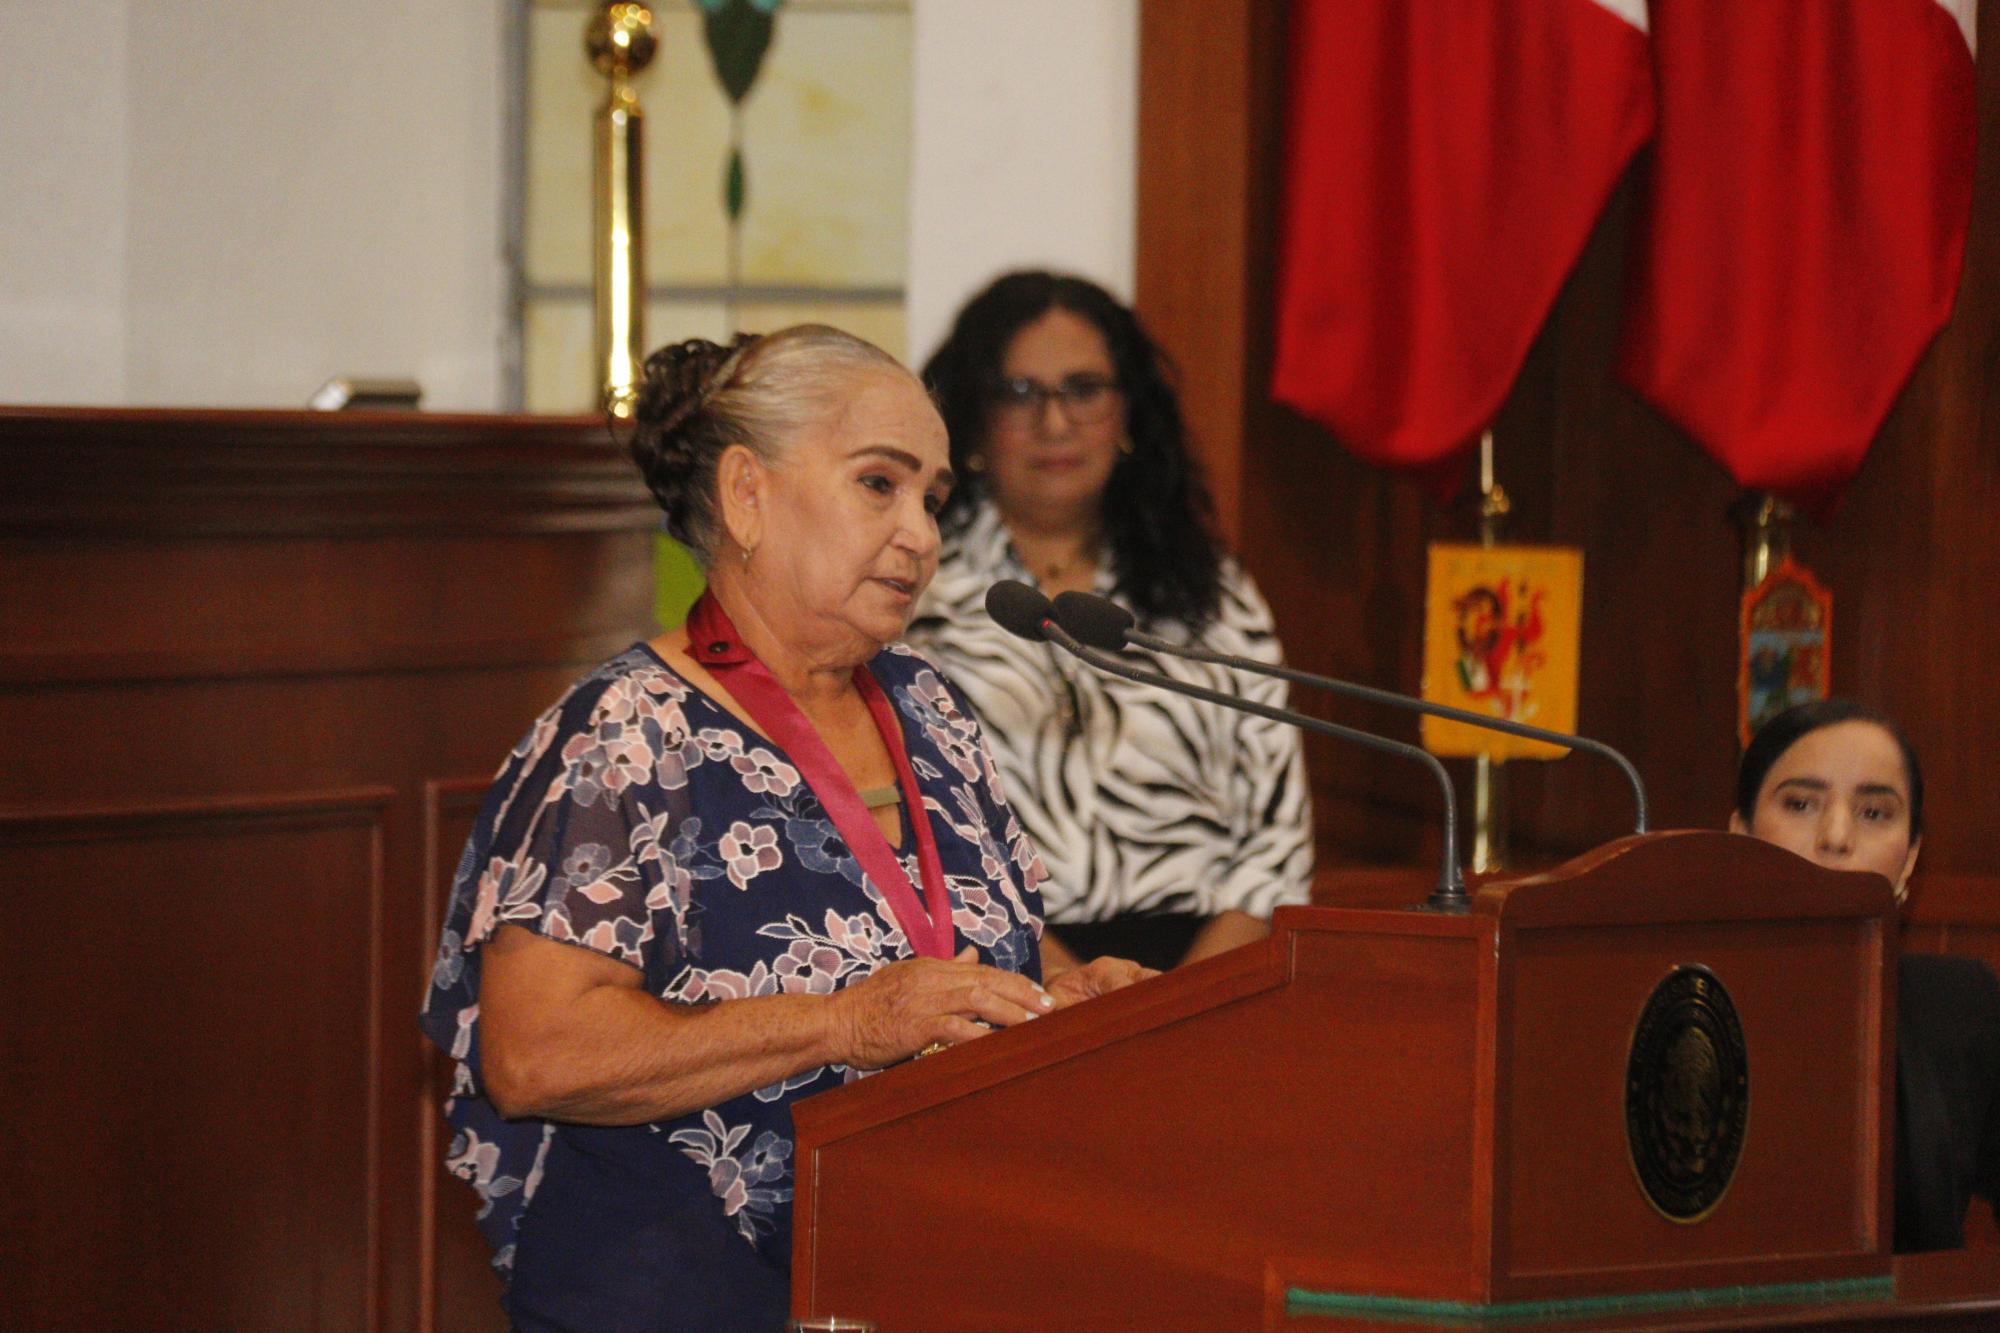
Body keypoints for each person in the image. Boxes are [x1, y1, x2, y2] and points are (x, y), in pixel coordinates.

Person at [420, 325, 1151, 1331]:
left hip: (925, 1276)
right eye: (878, 485)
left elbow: (936, 958)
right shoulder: (626, 733)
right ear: (745, 494)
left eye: (932, 498)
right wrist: (845, 1022)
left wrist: (1051, 1005)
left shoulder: (928, 710)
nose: (921, 535)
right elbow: (535, 1051)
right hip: (679, 1298)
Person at [906, 271, 1314, 974]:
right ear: (973, 415)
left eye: (1084, 388)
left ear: (1128, 411)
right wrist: (1073, 995)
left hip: (1209, 976)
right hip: (1009, 975)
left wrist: (1179, 1003)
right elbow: (918, 840)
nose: (1055, 422)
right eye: (1020, 392)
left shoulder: (1211, 591)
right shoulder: (912, 593)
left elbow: (1275, 842)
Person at [1731, 698, 2000, 1251]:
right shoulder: (1676, 1004)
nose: (1835, 837)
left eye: (1874, 812)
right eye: (1802, 803)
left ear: (1909, 859)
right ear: (1740, 835)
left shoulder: (1959, 1005)